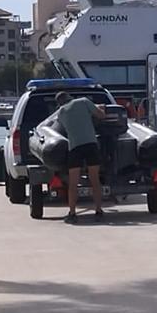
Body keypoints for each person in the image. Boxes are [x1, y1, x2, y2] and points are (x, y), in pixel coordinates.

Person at [55, 91, 107, 224]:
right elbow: (101, 116)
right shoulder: (83, 101)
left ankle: (72, 214)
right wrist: (101, 109)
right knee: (94, 179)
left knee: (73, 183)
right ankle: (99, 211)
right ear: (69, 97)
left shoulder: (60, 113)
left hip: (74, 147)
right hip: (91, 144)